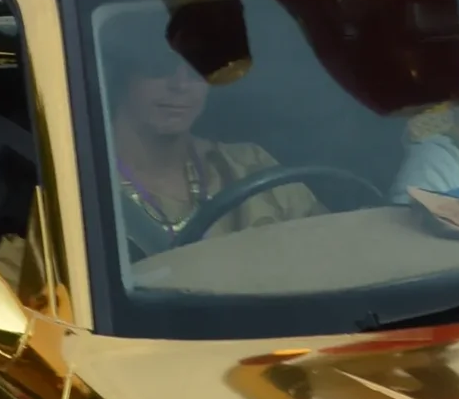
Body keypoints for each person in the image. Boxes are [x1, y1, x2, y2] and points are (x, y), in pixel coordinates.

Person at [104, 23, 321, 261]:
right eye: (160, 67)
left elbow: (328, 254)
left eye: (198, 70)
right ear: (121, 77)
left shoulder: (251, 165)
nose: (181, 85)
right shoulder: (81, 186)